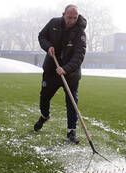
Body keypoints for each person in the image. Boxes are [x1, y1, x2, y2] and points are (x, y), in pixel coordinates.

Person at [34, 4, 87, 145]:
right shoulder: (53, 23)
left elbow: (79, 56)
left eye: (75, 18)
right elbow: (41, 36)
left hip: (70, 74)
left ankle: (71, 131)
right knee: (44, 96)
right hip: (52, 70)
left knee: (72, 101)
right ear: (63, 14)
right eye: (69, 17)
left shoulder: (80, 32)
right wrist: (48, 46)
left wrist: (66, 69)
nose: (72, 20)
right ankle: (44, 116)